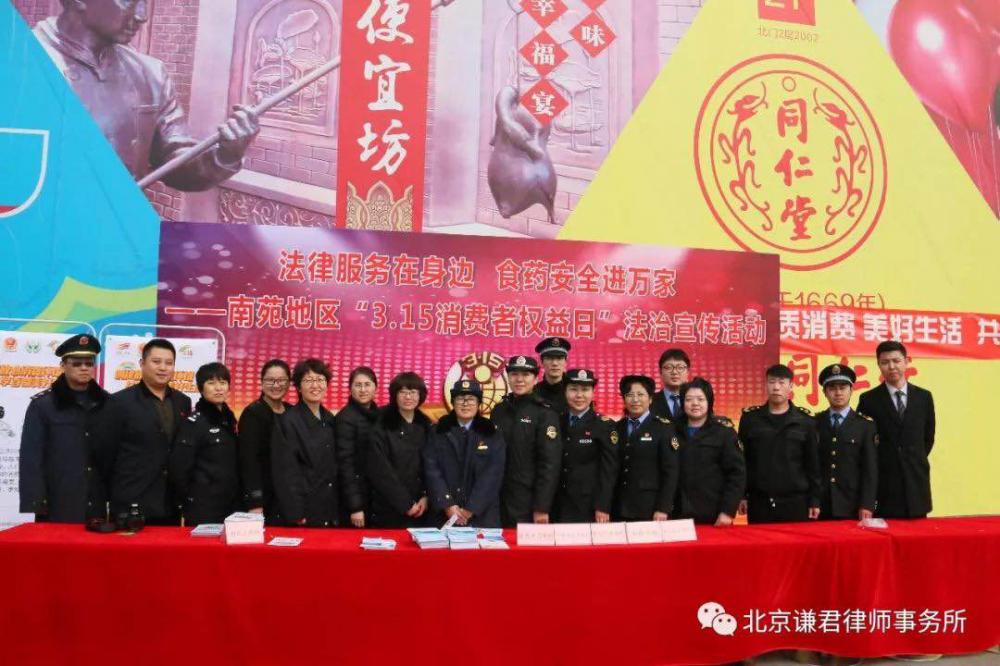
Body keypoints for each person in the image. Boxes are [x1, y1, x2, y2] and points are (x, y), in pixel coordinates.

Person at [33, 0, 259, 191]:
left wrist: (225, 155)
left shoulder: (150, 74)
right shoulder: (22, 60)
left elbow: (175, 161)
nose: (142, 15)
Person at [97, 338, 191, 525]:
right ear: (142, 363)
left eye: (169, 363)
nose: (163, 368)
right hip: (130, 501)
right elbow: (105, 454)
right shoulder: (119, 402)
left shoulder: (183, 401)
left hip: (170, 503)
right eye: (156, 362)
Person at [19, 334, 109, 524]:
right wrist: (37, 502)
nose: (84, 368)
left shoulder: (107, 403)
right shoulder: (43, 405)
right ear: (63, 365)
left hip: (98, 501)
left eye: (89, 363)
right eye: (76, 363)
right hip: (58, 500)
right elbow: (31, 457)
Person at [858, 341, 935, 519]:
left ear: (906, 361)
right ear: (878, 365)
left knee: (919, 532)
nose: (891, 366)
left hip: (916, 482)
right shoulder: (869, 399)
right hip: (885, 484)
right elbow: (865, 442)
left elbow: (928, 438)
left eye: (896, 361)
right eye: (885, 362)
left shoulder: (924, 397)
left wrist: (912, 458)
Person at [738, 364, 821, 524]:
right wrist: (742, 495)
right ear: (766, 385)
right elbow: (742, 461)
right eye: (772, 382)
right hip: (759, 502)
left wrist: (814, 500)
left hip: (796, 502)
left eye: (781, 382)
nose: (776, 387)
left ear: (791, 386)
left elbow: (812, 465)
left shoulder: (806, 421)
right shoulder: (750, 419)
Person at [423, 380, 506, 528]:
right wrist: (447, 504)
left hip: (482, 515)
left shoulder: (491, 433)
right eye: (460, 398)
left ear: (479, 403)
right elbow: (431, 470)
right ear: (452, 402)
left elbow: (493, 474)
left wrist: (471, 508)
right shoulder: (437, 431)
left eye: (471, 399)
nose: (465, 404)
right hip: (444, 515)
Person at [490, 355, 561, 526]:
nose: (519, 379)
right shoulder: (499, 410)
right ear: (508, 377)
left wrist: (541, 507)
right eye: (514, 374)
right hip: (495, 497)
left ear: (535, 378)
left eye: (526, 374)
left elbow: (549, 464)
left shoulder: (545, 413)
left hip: (527, 501)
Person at [169, 363, 239, 526]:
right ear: (200, 388)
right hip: (204, 507)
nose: (218, 388)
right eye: (211, 383)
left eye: (223, 382)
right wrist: (190, 500)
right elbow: (179, 469)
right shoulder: (193, 423)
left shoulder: (229, 419)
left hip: (231, 504)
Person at [271, 359, 339, 527]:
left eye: (320, 379)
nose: (315, 385)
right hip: (304, 510)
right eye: (308, 380)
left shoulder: (330, 418)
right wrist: (296, 512)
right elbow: (286, 472)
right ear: (299, 387)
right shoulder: (288, 421)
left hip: (330, 506)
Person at [674, 377, 745, 526]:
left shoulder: (724, 432)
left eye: (700, 399)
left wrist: (727, 511)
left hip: (714, 514)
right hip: (676, 514)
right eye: (689, 399)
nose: (695, 403)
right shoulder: (671, 430)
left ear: (709, 402)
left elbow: (736, 475)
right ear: (682, 403)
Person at [366, 373, 433, 528]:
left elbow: (431, 466)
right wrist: (406, 504)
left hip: (421, 508)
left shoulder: (426, 425)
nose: (408, 397)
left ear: (420, 396)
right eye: (402, 392)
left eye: (413, 392)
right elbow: (380, 470)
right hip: (388, 508)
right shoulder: (381, 425)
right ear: (394, 395)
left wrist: (426, 496)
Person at [552, 369, 618, 524]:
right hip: (557, 503)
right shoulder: (555, 421)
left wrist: (603, 506)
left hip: (589, 505)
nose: (579, 395)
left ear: (593, 393)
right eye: (573, 389)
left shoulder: (604, 425)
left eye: (585, 390)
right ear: (565, 391)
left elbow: (609, 470)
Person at [613, 375, 679, 522]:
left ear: (650, 399)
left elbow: (671, 472)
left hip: (650, 508)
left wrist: (663, 508)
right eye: (630, 395)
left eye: (640, 394)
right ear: (624, 399)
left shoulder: (663, 428)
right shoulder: (616, 428)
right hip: (619, 507)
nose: (635, 399)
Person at [238, 359, 293, 524]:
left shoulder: (292, 412)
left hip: (288, 498)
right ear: (261, 382)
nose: (276, 385)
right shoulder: (253, 414)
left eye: (281, 380)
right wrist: (255, 502)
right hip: (264, 500)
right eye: (270, 380)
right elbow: (249, 462)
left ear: (289, 383)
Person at [336, 367, 379, 528]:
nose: (363, 390)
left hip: (376, 497)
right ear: (350, 388)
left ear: (375, 387)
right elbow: (345, 464)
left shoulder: (380, 415)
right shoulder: (345, 418)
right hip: (357, 500)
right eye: (358, 385)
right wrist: (355, 506)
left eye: (367, 384)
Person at [532, 337, 570, 413]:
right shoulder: (533, 392)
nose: (555, 363)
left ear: (566, 362)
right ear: (541, 362)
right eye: (549, 358)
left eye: (559, 358)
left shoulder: (574, 391)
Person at [651, 348, 690, 420]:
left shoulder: (697, 401)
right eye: (668, 368)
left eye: (680, 368)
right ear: (660, 372)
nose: (674, 372)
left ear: (688, 372)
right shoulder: (649, 401)